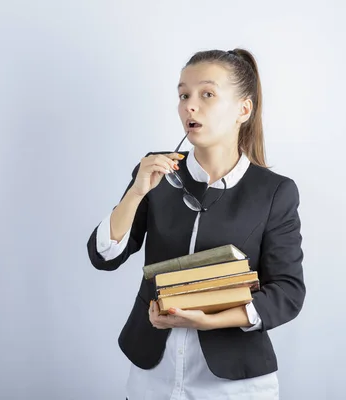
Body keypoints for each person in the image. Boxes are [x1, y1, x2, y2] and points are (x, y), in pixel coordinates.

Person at [86, 48, 306, 400]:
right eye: (183, 95)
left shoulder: (275, 191)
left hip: (234, 384)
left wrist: (210, 320)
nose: (190, 105)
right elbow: (104, 257)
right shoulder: (155, 172)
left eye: (207, 94)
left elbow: (288, 292)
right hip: (152, 377)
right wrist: (137, 192)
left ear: (243, 110)